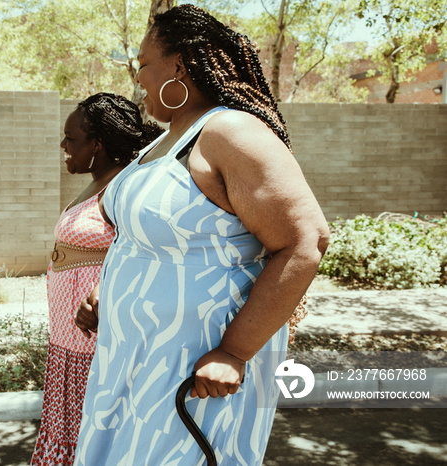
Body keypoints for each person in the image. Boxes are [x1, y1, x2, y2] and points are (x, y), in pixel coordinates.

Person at [73, 5, 330, 466]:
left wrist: (234, 351)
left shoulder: (229, 132)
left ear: (180, 66)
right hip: (133, 355)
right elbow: (149, 237)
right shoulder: (164, 140)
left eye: (144, 64)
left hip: (194, 363)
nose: (139, 78)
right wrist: (105, 290)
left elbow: (304, 242)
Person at [31, 93, 163, 466]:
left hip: (94, 342)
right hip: (68, 342)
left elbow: (144, 251)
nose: (64, 145)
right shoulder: (98, 182)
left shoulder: (124, 187)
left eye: (71, 138)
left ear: (98, 143)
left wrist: (104, 288)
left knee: (95, 435)